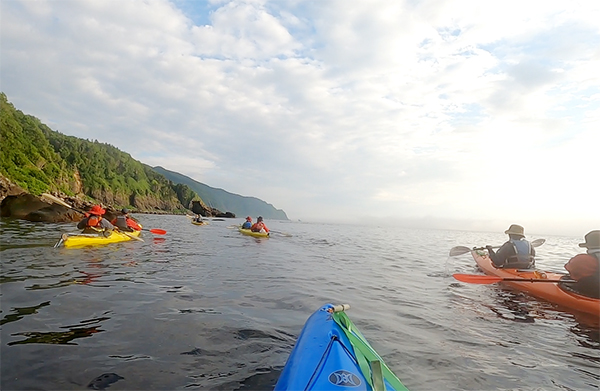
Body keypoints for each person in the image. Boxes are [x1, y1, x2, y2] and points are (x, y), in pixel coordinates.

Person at [559, 230, 600, 299]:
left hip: (593, 293)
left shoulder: (583, 259)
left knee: (565, 280)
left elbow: (569, 267)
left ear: (588, 246)